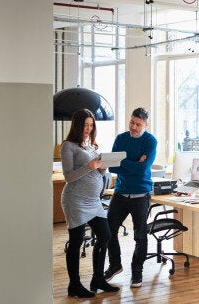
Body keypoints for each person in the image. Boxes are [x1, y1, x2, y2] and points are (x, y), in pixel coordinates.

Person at [60, 109, 119, 298]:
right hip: (75, 200)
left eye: (91, 124)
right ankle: (74, 286)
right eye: (85, 124)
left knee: (105, 235)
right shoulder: (68, 146)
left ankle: (98, 279)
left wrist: (103, 167)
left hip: (93, 201)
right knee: (76, 241)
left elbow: (97, 173)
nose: (88, 128)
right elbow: (69, 177)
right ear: (77, 125)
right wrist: (89, 166)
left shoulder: (92, 146)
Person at [104, 107, 157, 288]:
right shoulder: (121, 138)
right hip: (120, 192)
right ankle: (115, 264)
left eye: (138, 124)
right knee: (108, 230)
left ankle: (137, 271)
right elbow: (112, 167)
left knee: (140, 236)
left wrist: (122, 161)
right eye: (132, 122)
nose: (133, 127)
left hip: (140, 194)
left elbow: (143, 169)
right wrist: (134, 163)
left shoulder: (150, 141)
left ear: (145, 125)